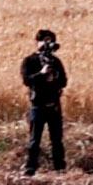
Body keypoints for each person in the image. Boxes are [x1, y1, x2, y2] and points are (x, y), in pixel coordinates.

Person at [18, 28, 69, 175]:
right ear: (37, 42)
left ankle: (60, 169)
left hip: (54, 105)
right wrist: (41, 74)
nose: (48, 44)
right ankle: (30, 168)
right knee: (35, 140)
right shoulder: (30, 60)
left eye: (50, 41)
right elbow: (27, 80)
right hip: (38, 106)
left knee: (57, 140)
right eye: (45, 41)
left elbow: (64, 81)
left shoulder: (56, 61)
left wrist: (54, 77)